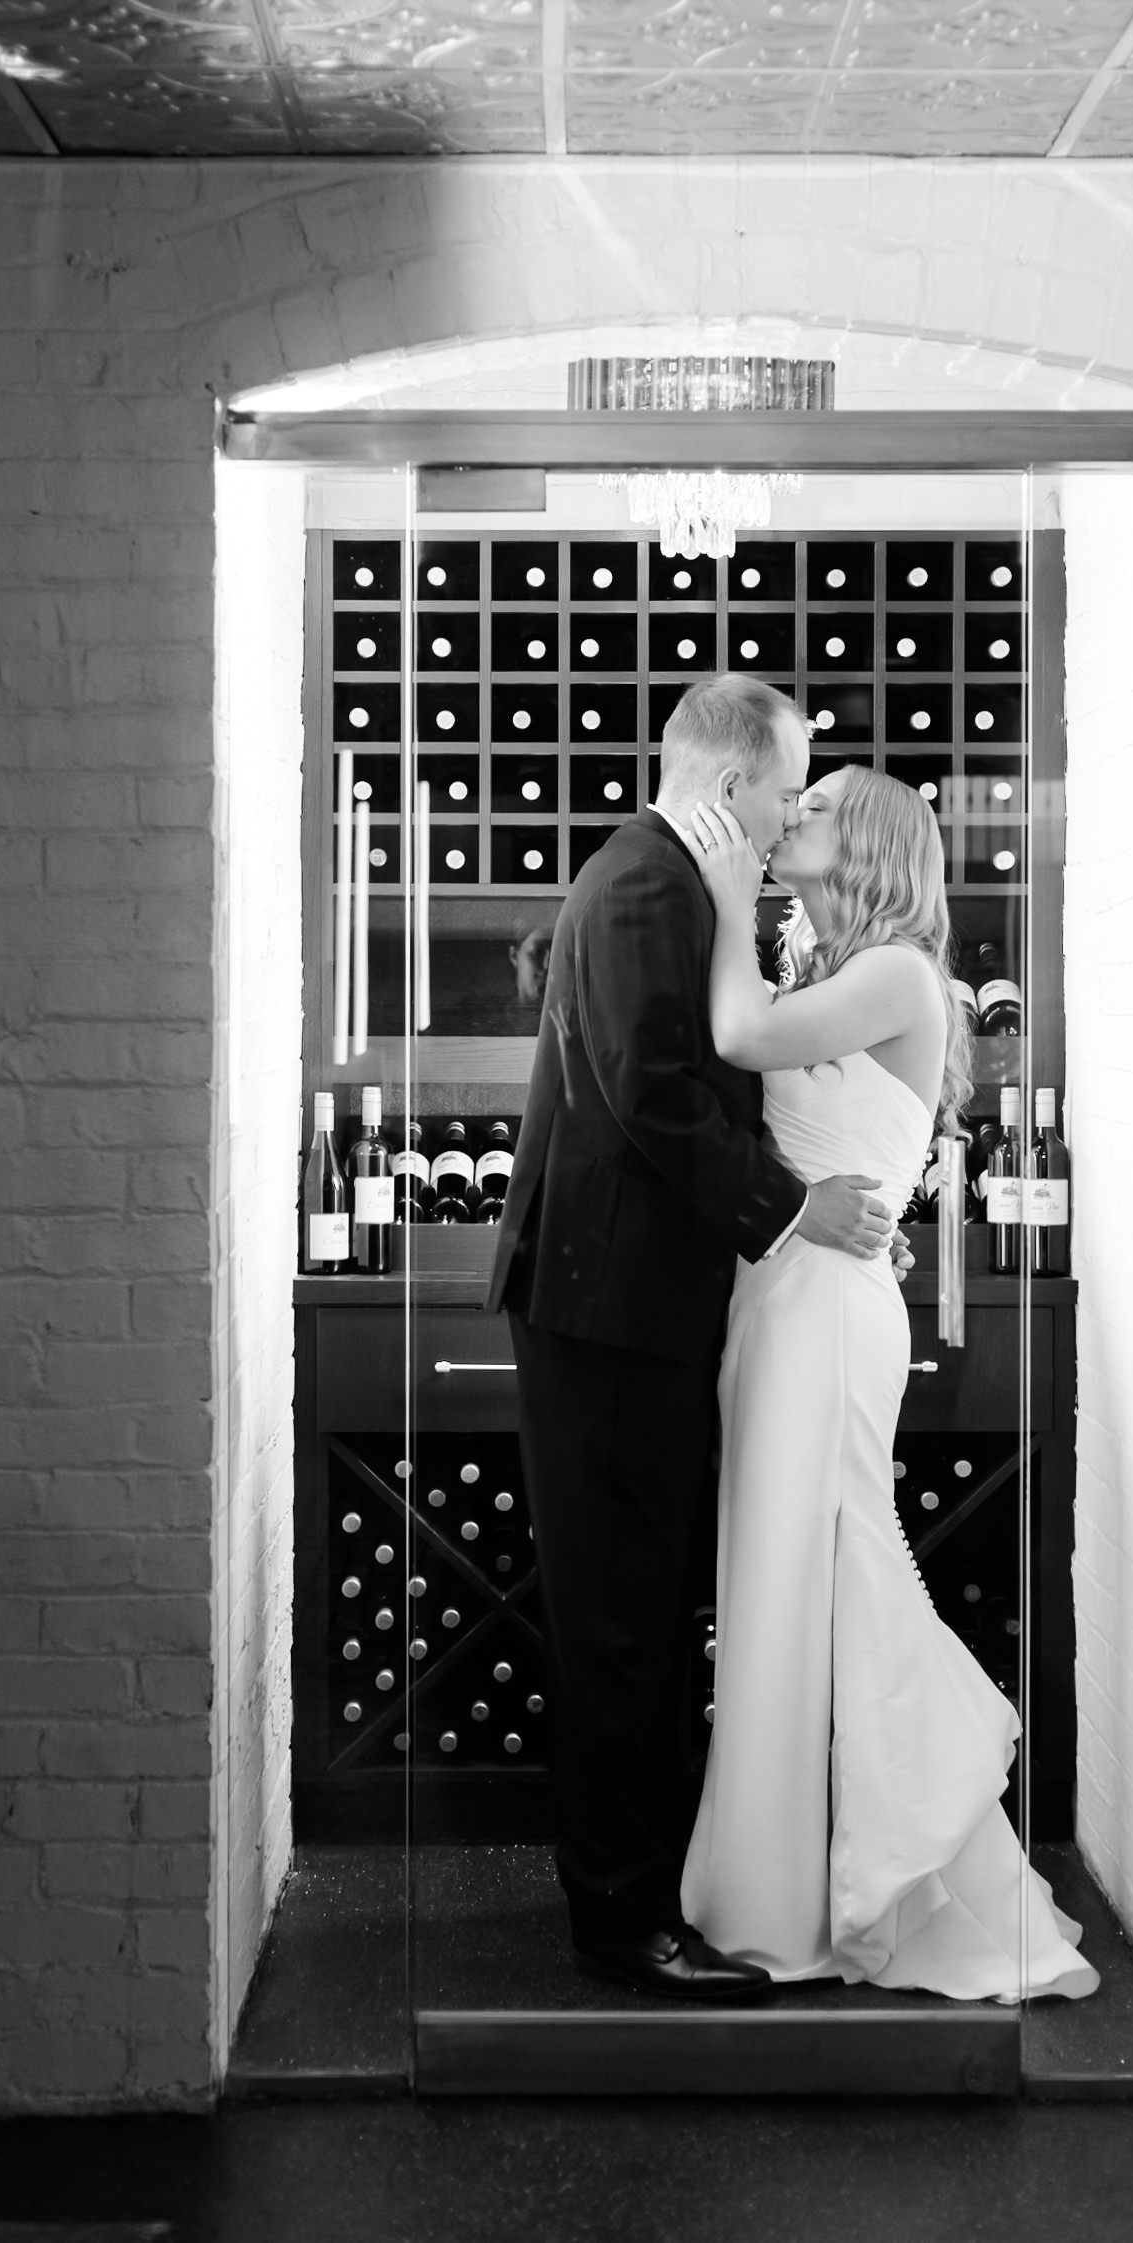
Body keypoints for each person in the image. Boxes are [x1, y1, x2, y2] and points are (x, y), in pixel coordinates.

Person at [487, 677, 910, 2001]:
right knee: (622, 1618)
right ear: (733, 786)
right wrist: (795, 1205)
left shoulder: (671, 885)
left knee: (651, 1607)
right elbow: (654, 1094)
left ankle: (647, 1886)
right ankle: (617, 1920)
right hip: (608, 1314)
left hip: (641, 1307)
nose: (792, 814)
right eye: (787, 787)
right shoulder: (645, 888)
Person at [679, 765, 1099, 2002]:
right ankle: (796, 1872)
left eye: (810, 809)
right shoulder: (830, 967)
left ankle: (866, 1867)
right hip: (784, 1292)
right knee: (781, 1571)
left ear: (861, 843)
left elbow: (740, 1037)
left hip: (824, 1311)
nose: (785, 819)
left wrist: (718, 899)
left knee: (830, 1557)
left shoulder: (899, 972)